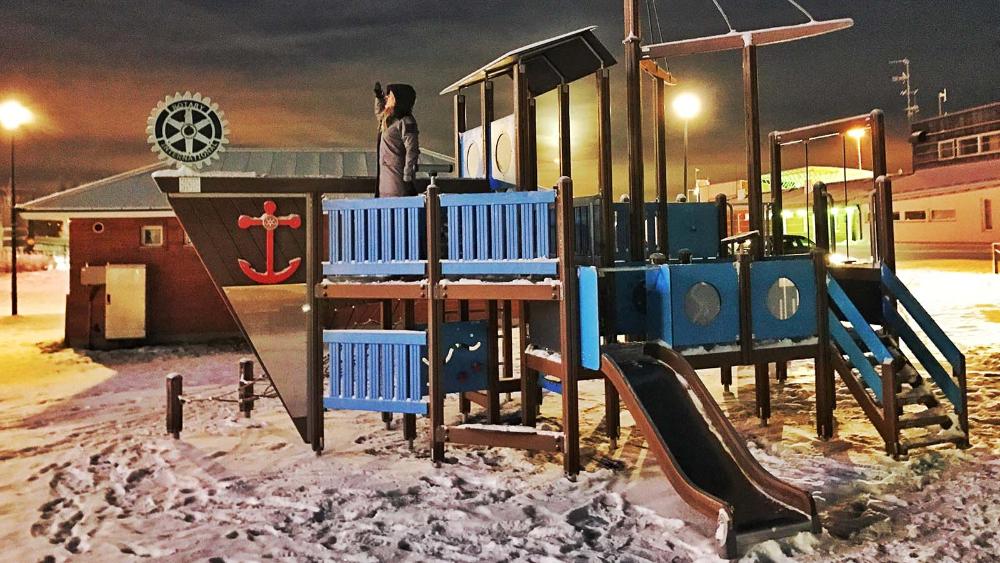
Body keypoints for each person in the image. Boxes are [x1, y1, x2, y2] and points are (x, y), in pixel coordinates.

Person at [373, 82, 420, 197]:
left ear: (398, 100)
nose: (387, 98)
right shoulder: (390, 120)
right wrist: (379, 97)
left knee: (395, 204)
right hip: (385, 178)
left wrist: (407, 176)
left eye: (390, 96)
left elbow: (412, 149)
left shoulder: (406, 121)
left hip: (397, 179)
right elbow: (380, 114)